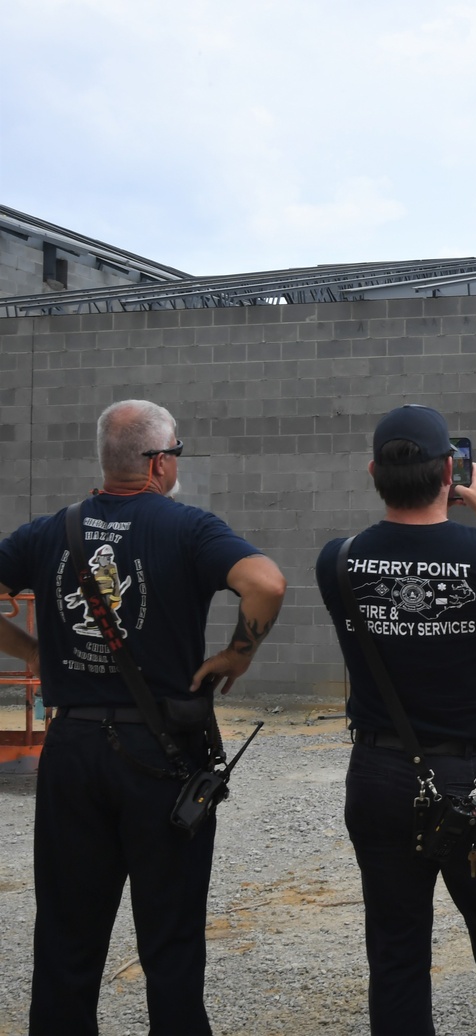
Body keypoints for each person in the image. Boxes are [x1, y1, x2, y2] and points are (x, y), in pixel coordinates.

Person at [0, 399, 286, 1036]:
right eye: (175, 454)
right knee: (172, 937)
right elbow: (267, 584)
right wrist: (237, 655)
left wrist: (34, 652)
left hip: (72, 746)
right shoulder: (188, 529)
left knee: (67, 937)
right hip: (161, 752)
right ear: (158, 464)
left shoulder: (51, 530)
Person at [315, 403, 476, 1036]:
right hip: (473, 778)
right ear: (451, 472)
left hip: (379, 771)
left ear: (373, 472)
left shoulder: (337, 561)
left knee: (396, 951)